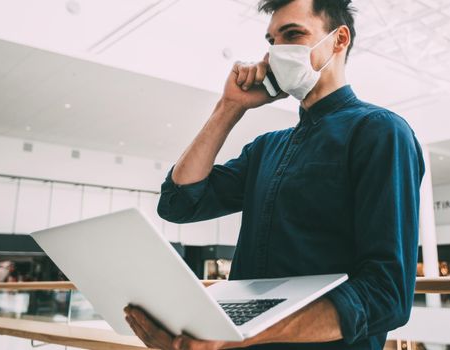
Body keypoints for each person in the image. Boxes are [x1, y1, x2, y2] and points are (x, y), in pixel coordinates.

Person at [124, 0, 425, 349]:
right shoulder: (267, 148)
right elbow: (179, 204)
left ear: (339, 39)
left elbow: (385, 293)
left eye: (293, 34)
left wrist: (237, 337)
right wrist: (229, 106)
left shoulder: (379, 132)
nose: (278, 51)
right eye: (271, 41)